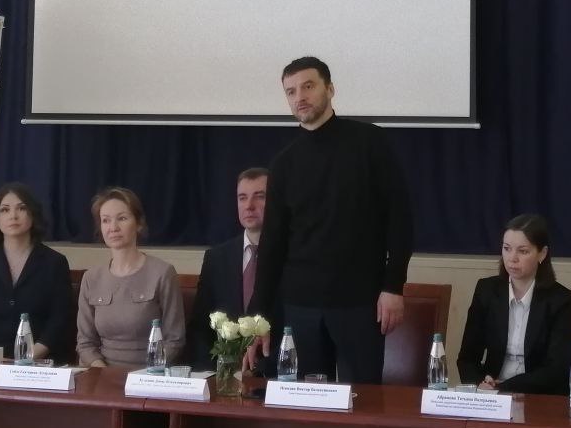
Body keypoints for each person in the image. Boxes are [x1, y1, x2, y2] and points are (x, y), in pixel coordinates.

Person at [246, 56, 413, 383]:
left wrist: (393, 286)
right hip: (300, 307)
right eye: (291, 91)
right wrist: (258, 316)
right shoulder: (284, 163)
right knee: (305, 402)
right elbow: (272, 244)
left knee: (363, 399)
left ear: (330, 89)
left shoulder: (370, 142)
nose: (300, 97)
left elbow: (400, 219)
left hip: (360, 302)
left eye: (308, 86)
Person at [456, 213, 571, 394]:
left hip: (537, 395)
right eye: (507, 248)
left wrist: (503, 387)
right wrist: (480, 383)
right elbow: (467, 358)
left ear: (542, 254)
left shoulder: (561, 300)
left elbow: (557, 369)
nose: (512, 258)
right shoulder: (486, 290)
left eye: (523, 251)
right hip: (490, 392)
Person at [0, 182, 74, 362]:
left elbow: (59, 321)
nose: (13, 216)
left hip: (39, 363)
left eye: (21, 208)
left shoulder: (54, 263)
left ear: (33, 214)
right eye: (5, 210)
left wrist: (25, 360)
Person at [76, 186, 186, 368]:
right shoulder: (91, 277)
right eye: (105, 220)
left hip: (149, 375)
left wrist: (144, 376)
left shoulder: (163, 272)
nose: (113, 228)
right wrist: (104, 374)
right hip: (101, 374)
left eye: (122, 218)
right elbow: (85, 343)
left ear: (139, 223)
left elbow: (174, 340)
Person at [186, 167, 270, 370]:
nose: (249, 206)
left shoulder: (292, 257)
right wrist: (212, 373)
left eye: (259, 197)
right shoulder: (216, 258)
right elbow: (200, 327)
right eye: (242, 198)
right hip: (224, 373)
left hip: (275, 374)